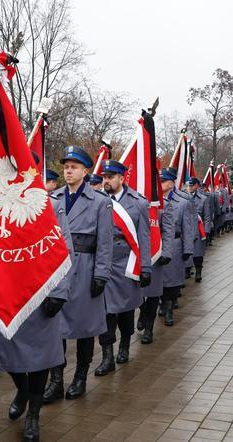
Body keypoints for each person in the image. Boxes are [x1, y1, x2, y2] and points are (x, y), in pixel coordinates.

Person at [0, 155, 72, 441]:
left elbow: (65, 250)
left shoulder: (52, 206)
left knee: (39, 359)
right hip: (6, 294)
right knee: (8, 357)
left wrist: (59, 293)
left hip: (41, 294)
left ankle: (33, 414)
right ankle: (22, 390)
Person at [43, 146, 113, 402]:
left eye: (74, 166)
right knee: (56, 328)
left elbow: (105, 242)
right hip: (59, 271)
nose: (68, 170)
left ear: (85, 170)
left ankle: (80, 377)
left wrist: (101, 275)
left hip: (85, 270)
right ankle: (57, 381)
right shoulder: (53, 199)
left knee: (84, 328)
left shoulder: (100, 202)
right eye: (66, 166)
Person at [93, 160, 151, 376]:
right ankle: (107, 356)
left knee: (126, 310)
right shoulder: (97, 199)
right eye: (104, 177)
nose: (106, 181)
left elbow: (144, 237)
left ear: (122, 178)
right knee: (105, 311)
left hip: (128, 262)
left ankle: (125, 345)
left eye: (110, 177)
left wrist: (146, 267)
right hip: (103, 262)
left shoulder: (138, 203)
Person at [137, 168, 174, 343]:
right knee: (136, 292)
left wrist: (166, 252)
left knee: (152, 294)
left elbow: (168, 232)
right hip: (136, 255)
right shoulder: (137, 203)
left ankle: (149, 330)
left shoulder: (164, 206)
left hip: (155, 256)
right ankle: (142, 312)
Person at [160, 169, 195, 327]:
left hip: (174, 244)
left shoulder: (183, 203)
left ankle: (168, 310)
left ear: (171, 183)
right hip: (156, 244)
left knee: (172, 281)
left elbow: (187, 227)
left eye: (163, 181)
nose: (159, 184)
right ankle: (159, 303)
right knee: (156, 279)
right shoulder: (152, 200)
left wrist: (188, 249)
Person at [186, 178, 209, 283]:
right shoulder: (183, 197)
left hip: (198, 229)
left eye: (192, 185)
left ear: (196, 186)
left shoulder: (203, 199)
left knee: (198, 253)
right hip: (186, 228)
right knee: (186, 251)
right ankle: (186, 270)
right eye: (188, 185)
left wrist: (206, 230)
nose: (189, 187)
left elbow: (207, 216)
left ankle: (198, 271)